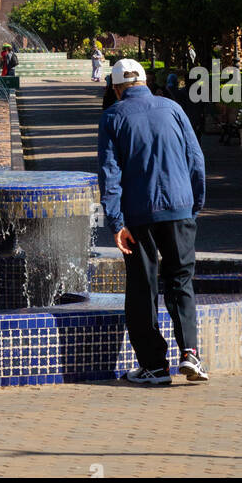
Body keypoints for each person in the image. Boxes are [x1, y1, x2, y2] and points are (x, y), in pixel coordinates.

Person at [97, 58, 207, 387]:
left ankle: (155, 367)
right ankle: (190, 353)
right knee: (180, 281)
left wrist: (116, 222)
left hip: (138, 216)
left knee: (142, 287)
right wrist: (194, 203)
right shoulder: (173, 108)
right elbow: (196, 158)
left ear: (117, 89)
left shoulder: (113, 117)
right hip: (179, 208)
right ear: (145, 82)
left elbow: (110, 173)